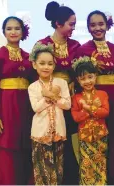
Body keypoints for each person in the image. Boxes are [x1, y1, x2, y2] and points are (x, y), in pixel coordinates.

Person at [75, 10, 114, 184]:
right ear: (88, 28)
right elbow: (80, 79)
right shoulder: (83, 50)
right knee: (100, 140)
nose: (97, 28)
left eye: (101, 24)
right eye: (93, 25)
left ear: (107, 25)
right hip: (97, 100)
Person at [0, 16, 33, 185]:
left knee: (25, 150)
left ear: (23, 31)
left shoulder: (28, 56)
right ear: (3, 32)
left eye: (17, 28)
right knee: (7, 151)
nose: (13, 32)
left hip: (25, 108)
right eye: (9, 28)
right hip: (5, 108)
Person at [35, 2, 81, 184]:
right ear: (58, 23)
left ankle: (70, 178)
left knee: (69, 138)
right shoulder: (42, 45)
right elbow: (35, 73)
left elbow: (81, 72)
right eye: (71, 24)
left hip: (68, 99)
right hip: (48, 98)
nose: (74, 28)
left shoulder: (76, 45)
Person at [28, 43, 71, 185]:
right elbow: (36, 108)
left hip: (58, 131)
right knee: (41, 169)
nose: (46, 67)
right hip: (40, 133)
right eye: (42, 63)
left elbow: (67, 105)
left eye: (50, 64)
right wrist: (48, 96)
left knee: (58, 169)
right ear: (34, 65)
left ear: (54, 65)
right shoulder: (32, 87)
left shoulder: (62, 83)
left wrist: (53, 96)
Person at [71, 57, 109, 185]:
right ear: (78, 80)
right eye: (83, 79)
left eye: (90, 77)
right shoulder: (76, 98)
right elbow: (76, 117)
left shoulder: (102, 94)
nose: (87, 81)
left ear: (95, 76)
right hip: (84, 136)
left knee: (101, 164)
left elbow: (105, 112)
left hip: (101, 135)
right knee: (86, 165)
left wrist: (88, 108)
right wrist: (90, 110)